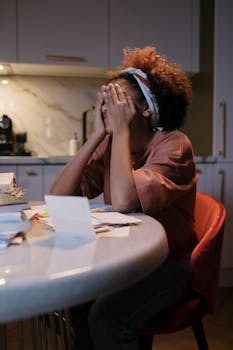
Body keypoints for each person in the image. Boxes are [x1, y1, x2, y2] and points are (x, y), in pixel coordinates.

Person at [50, 46, 198, 350]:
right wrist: (96, 136)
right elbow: (58, 197)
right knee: (72, 300)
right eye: (105, 101)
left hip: (170, 264)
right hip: (124, 258)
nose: (108, 109)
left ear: (146, 109)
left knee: (107, 316)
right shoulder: (111, 145)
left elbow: (123, 201)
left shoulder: (174, 145)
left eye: (118, 101)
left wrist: (117, 131)